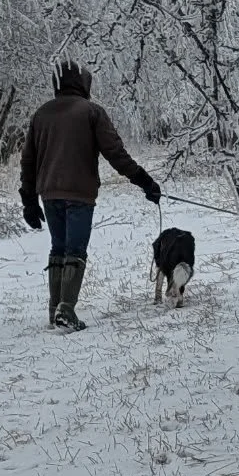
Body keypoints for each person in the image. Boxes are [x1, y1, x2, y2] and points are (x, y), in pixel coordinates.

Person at [19, 61, 161, 331]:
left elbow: (28, 160)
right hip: (80, 193)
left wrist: (28, 199)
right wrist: (144, 181)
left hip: (49, 193)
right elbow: (115, 154)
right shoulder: (92, 112)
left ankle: (55, 310)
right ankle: (66, 309)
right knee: (75, 250)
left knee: (58, 248)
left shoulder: (41, 115)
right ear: (84, 83)